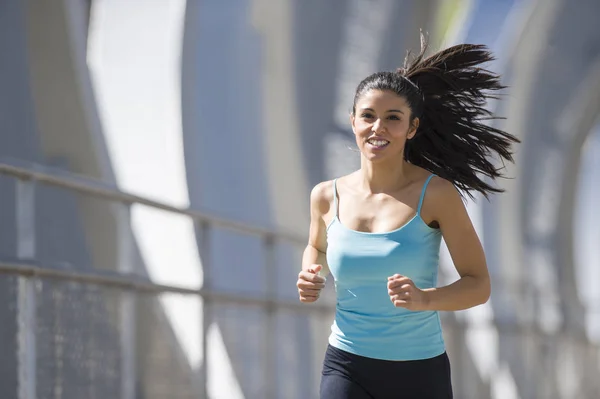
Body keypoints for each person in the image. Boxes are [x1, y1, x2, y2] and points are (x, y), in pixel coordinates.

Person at [296, 34, 519, 399]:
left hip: (419, 372)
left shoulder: (437, 195)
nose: (377, 127)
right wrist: (309, 272)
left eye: (392, 118)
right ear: (353, 121)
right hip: (346, 364)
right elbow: (315, 246)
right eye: (368, 116)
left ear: (411, 128)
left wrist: (424, 299)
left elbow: (479, 285)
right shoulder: (325, 195)